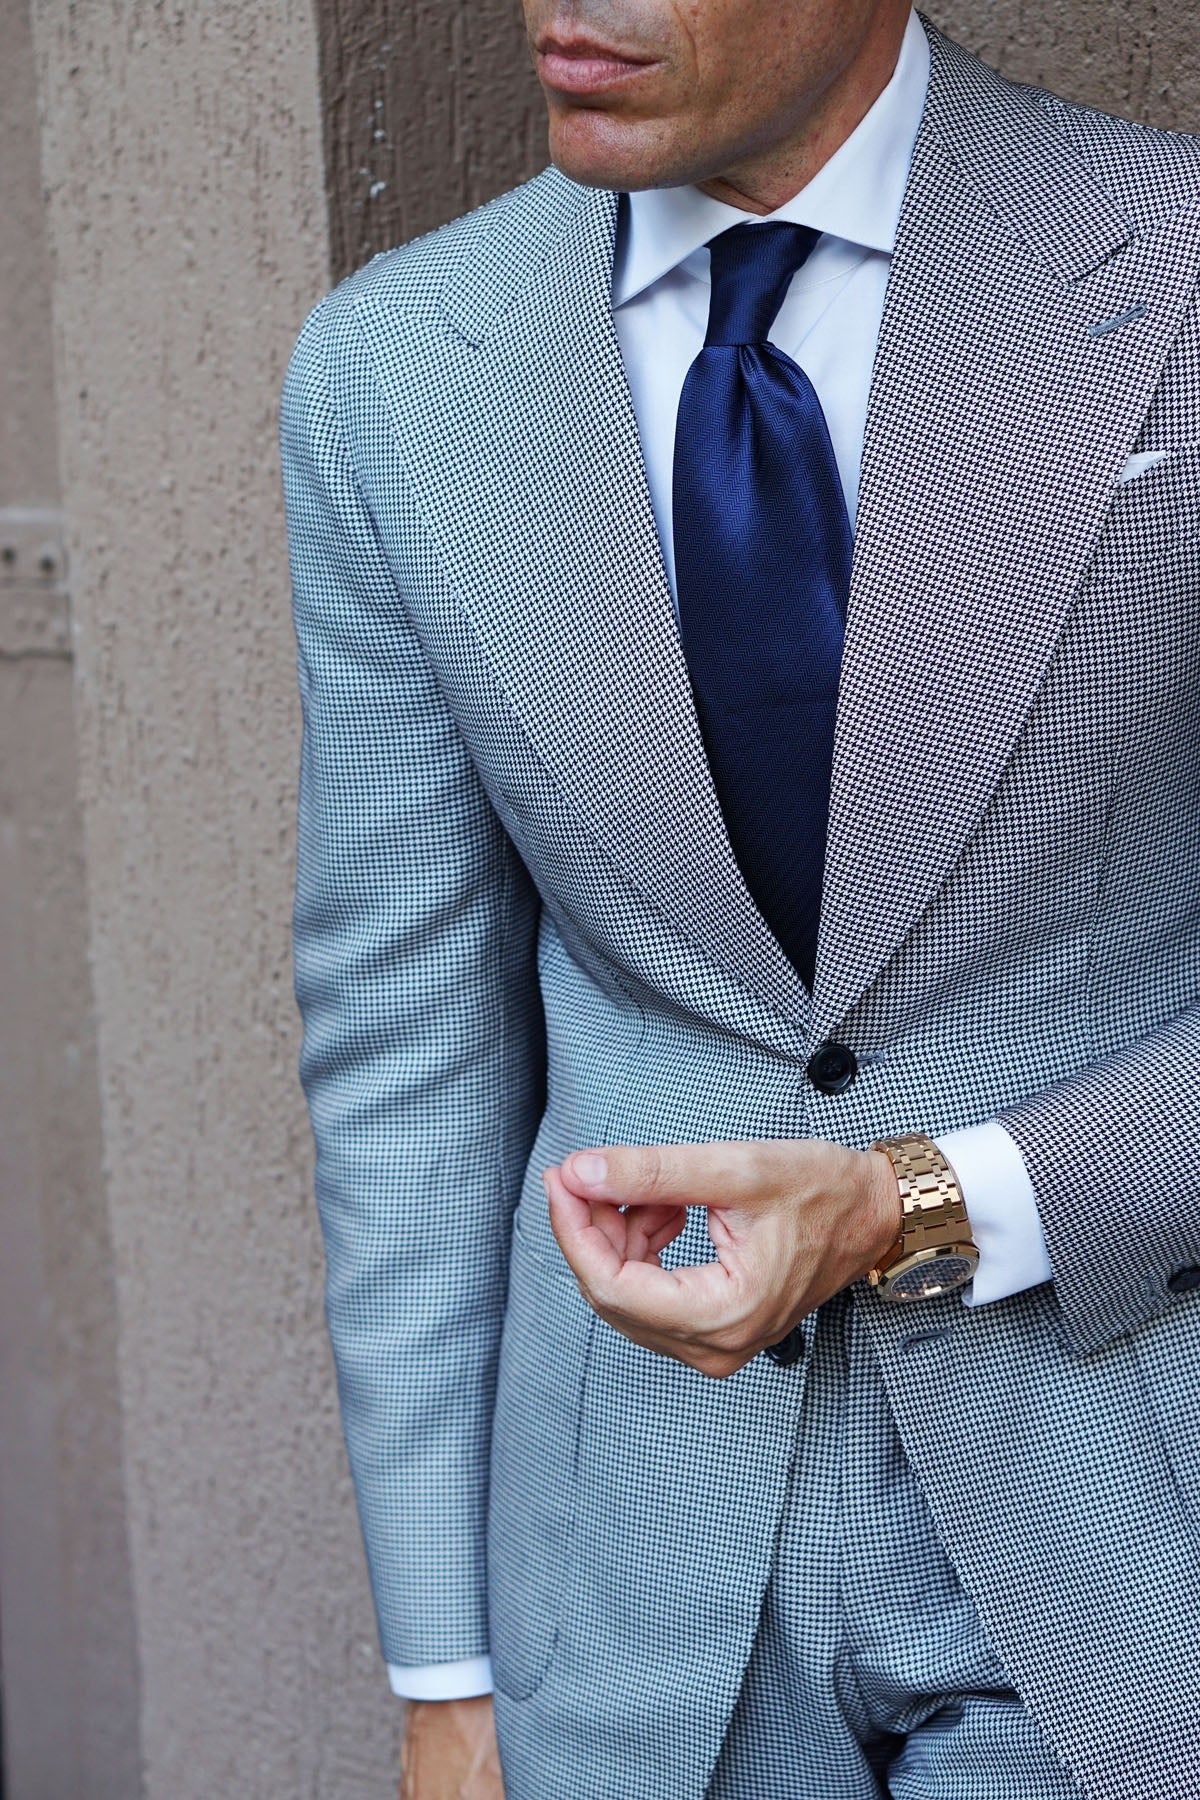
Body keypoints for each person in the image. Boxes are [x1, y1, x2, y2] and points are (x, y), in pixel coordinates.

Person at [280, 1, 1200, 1794]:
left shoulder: (1179, 266)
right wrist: (446, 1668)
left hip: (1125, 1527)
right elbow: (402, 1045)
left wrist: (931, 1201)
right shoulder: (392, 370)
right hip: (627, 1581)